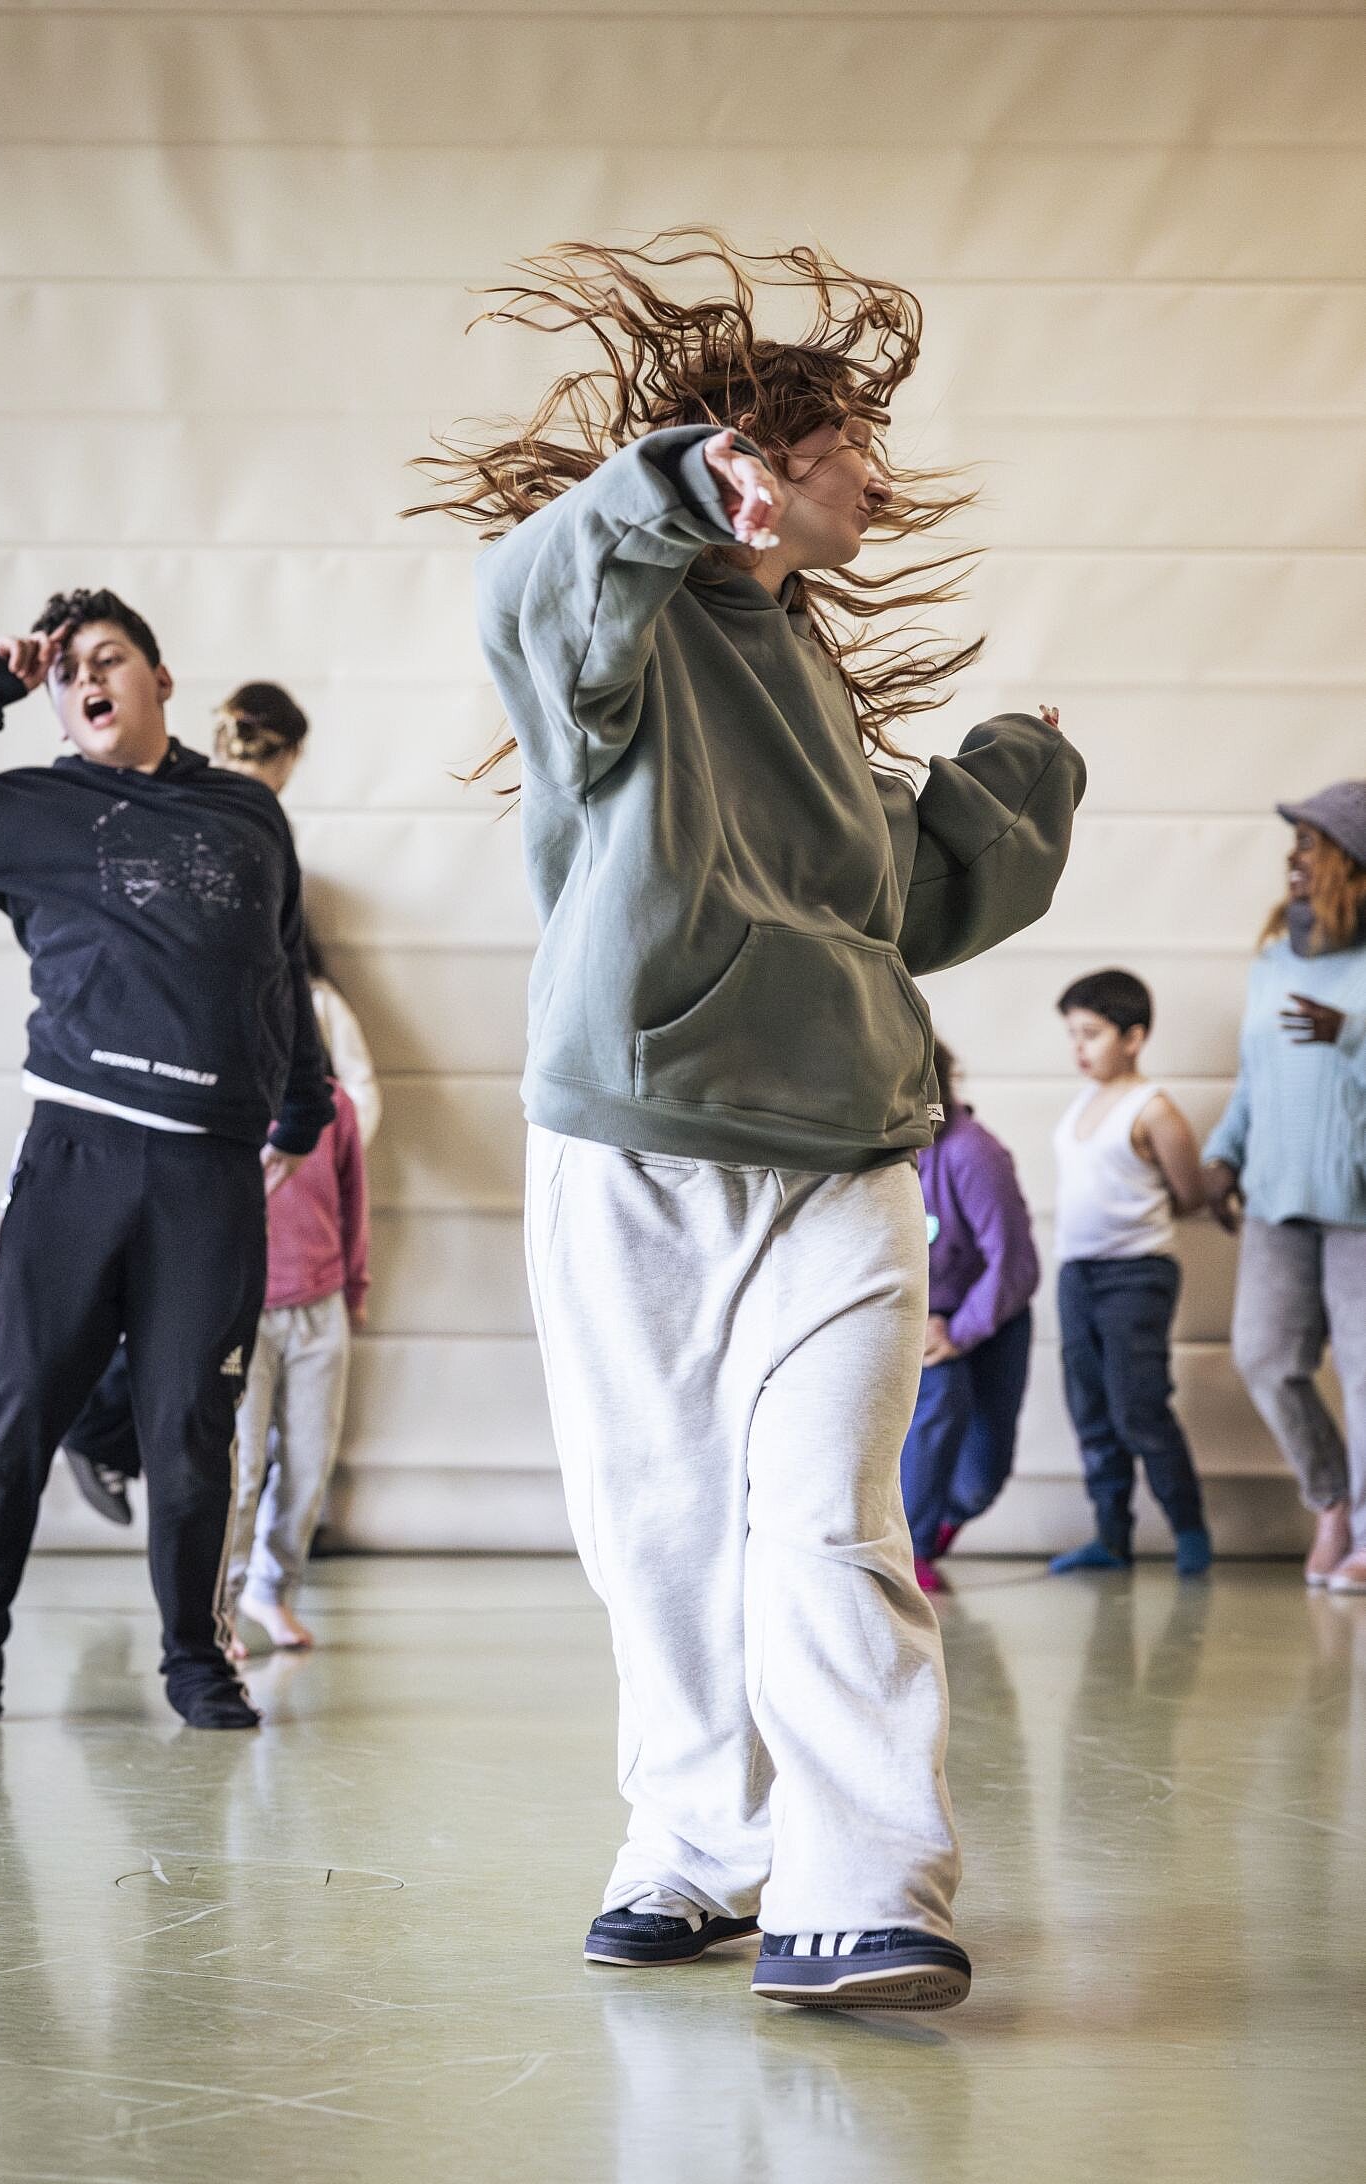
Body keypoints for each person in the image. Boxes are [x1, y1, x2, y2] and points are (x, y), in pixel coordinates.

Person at [415, 232, 1086, 2009]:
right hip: (635, 1135)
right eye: (847, 435)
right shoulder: (627, 630)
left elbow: (906, 905)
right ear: (760, 460)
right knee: (657, 1519)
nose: (878, 464)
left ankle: (860, 1883)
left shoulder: (811, 681)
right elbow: (524, 605)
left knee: (824, 1521)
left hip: (848, 1158)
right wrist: (656, 497)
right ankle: (696, 1846)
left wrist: (1024, 769)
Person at [0, 591, 333, 1729]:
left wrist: (304, 1110)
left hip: (210, 1172)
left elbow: (279, 972)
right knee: (16, 1418)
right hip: (80, 1152)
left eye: (110, 659)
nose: (85, 678)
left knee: (194, 1438)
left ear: (159, 678)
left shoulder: (248, 813)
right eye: (66, 671)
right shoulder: (37, 811)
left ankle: (196, 1660)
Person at [61, 681, 382, 1525]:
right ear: (288, 757)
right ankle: (101, 1430)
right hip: (191, 1066)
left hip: (193, 1059)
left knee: (186, 1292)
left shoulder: (193, 797)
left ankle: (108, 1436)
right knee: (188, 1292)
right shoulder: (243, 818)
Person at [1201, 786, 1366, 1594]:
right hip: (1276, 1197)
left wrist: (1354, 1034)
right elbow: (1254, 1077)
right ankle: (1332, 1498)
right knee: (1265, 1357)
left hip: (1361, 1210)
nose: (1293, 858)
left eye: (1311, 844)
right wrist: (1223, 1157)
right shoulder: (1273, 961)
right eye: (1294, 843)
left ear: (1351, 861)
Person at [1049, 970, 1213, 1578]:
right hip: (1077, 1275)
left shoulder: (1155, 1109)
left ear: (1134, 1037)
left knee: (1139, 1408)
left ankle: (1191, 1535)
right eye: (1073, 1034)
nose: (1079, 1048)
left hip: (1136, 1275)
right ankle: (1111, 1538)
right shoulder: (1082, 1104)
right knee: (1089, 1410)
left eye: (1091, 1033)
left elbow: (1190, 1194)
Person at [223, 1074, 369, 1653]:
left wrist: (355, 1287)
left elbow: (353, 1197)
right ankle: (222, 1604)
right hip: (243, 1307)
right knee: (241, 1469)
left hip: (320, 1304)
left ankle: (271, 1589)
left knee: (309, 1461)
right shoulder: (230, 1092)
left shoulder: (332, 1104)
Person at [900, 1041, 1039, 1595]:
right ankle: (910, 1548)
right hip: (917, 1316)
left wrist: (959, 1332)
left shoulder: (972, 1154)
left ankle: (938, 1522)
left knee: (984, 1475)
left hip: (990, 1314)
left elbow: (1014, 1264)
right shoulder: (881, 1154)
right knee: (939, 1398)